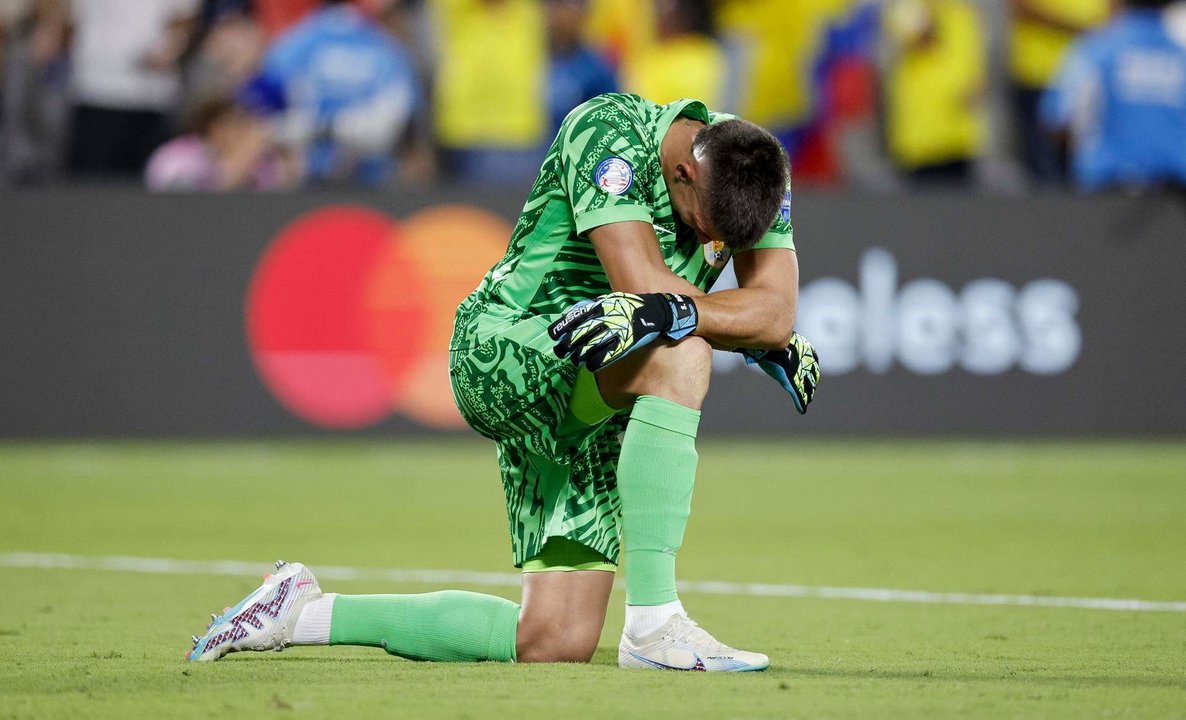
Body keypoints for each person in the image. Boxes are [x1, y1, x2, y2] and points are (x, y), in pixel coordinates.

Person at [187, 92, 820, 672]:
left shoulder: (758, 172)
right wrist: (727, 324)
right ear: (684, 171)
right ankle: (656, 626)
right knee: (685, 356)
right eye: (701, 223)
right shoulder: (610, 133)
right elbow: (646, 290)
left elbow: (777, 312)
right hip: (510, 351)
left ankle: (299, 612)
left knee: (554, 640)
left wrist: (726, 321)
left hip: (600, 401)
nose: (708, 244)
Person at [241, 0, 422, 187]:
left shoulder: (292, 44)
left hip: (340, 177)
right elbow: (403, 124)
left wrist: (313, 129)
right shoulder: (389, 50)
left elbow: (260, 114)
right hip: (351, 180)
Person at [1041, 0, 1186, 192]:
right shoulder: (1180, 57)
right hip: (1176, 197)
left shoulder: (1096, 51)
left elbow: (1059, 119)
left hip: (1108, 191)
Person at [881, 0, 988, 185]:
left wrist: (975, 90)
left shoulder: (963, 14)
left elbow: (975, 65)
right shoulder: (907, 6)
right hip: (922, 140)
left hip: (960, 136)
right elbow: (921, 38)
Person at [1008, 0, 1114, 183]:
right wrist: (1080, 29)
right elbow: (1019, 7)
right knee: (1046, 171)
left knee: (1091, 166)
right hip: (1040, 77)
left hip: (1094, 78)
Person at [144, 97, 292, 191]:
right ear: (215, 128)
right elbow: (195, 207)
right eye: (236, 124)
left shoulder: (258, 163)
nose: (243, 132)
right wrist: (250, 150)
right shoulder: (180, 157)